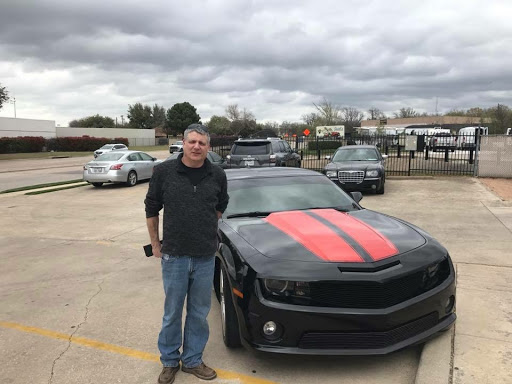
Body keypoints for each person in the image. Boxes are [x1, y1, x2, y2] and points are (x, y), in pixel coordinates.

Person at [145, 123, 229, 384]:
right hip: (174, 256)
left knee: (198, 312)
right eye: (192, 142)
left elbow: (220, 206)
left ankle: (192, 360)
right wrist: (155, 244)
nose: (196, 147)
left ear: (208, 146)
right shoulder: (164, 172)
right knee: (172, 312)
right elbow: (151, 208)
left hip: (204, 256)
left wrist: (202, 230)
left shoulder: (217, 174)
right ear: (183, 143)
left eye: (202, 143)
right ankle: (169, 361)